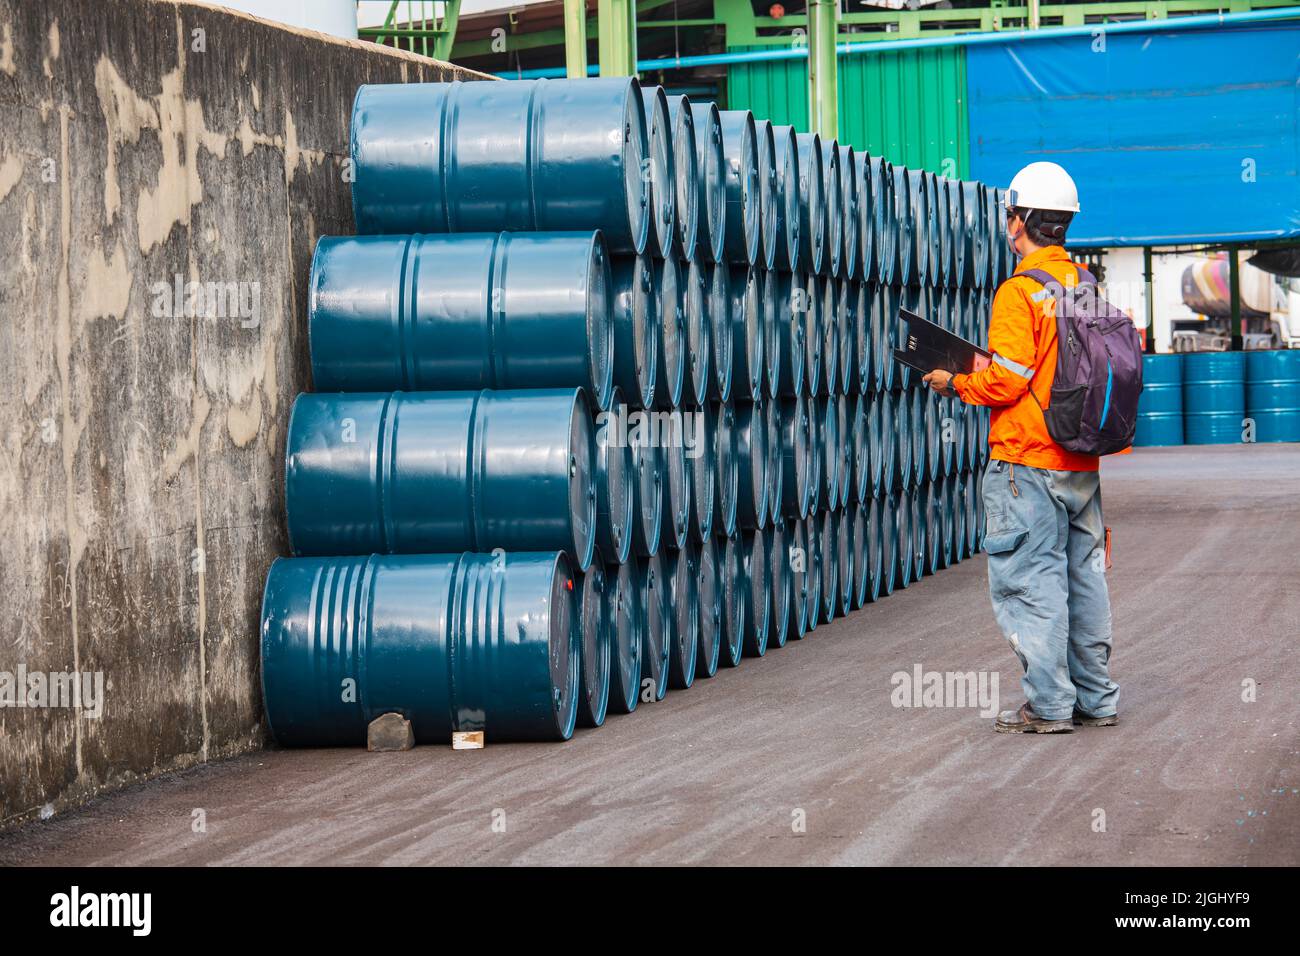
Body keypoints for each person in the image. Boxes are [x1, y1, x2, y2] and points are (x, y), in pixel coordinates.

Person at [922, 161, 1119, 734]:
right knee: (1085, 580)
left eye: (1011, 215)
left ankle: (1051, 706)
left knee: (1031, 583)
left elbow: (1007, 381)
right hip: (1080, 459)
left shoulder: (1019, 292)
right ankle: (1095, 699)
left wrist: (953, 380)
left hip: (1027, 461)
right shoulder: (1085, 285)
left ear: (1023, 222)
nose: (1007, 224)